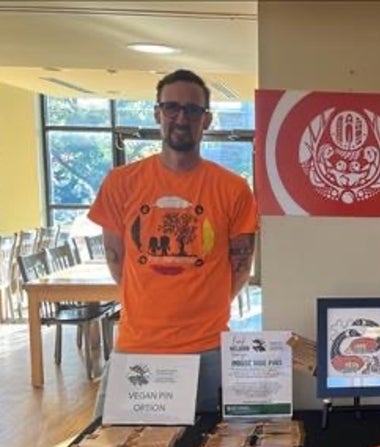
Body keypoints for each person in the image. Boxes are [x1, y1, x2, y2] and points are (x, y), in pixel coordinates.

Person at [88, 69, 258, 415]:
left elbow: (240, 268)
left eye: (192, 110)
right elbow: (117, 260)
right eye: (172, 107)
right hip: (138, 348)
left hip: (208, 351)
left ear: (206, 119)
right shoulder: (121, 183)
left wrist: (199, 306)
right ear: (157, 113)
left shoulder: (233, 189)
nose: (181, 118)